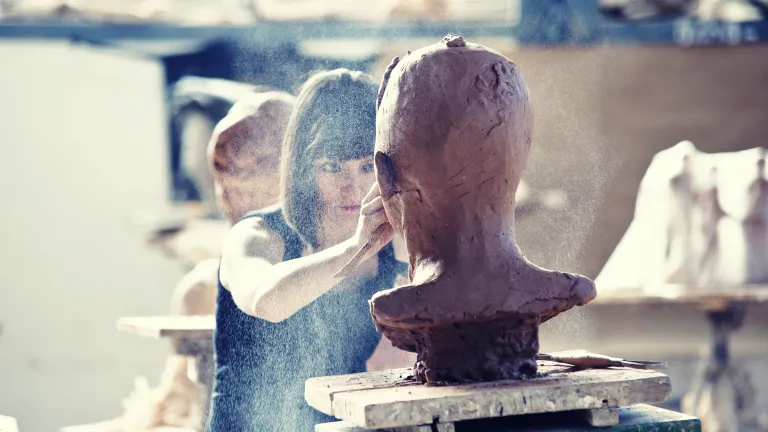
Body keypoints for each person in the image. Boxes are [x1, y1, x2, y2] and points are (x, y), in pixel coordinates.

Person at [207, 69, 407, 432]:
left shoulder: (393, 254)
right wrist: (355, 247)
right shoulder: (255, 235)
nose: (353, 187)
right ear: (301, 168)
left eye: (366, 167)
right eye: (331, 167)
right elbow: (267, 300)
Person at [119, 90, 295, 431]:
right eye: (221, 169)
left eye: (258, 165)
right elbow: (175, 409)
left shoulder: (366, 272)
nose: (230, 189)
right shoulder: (201, 291)